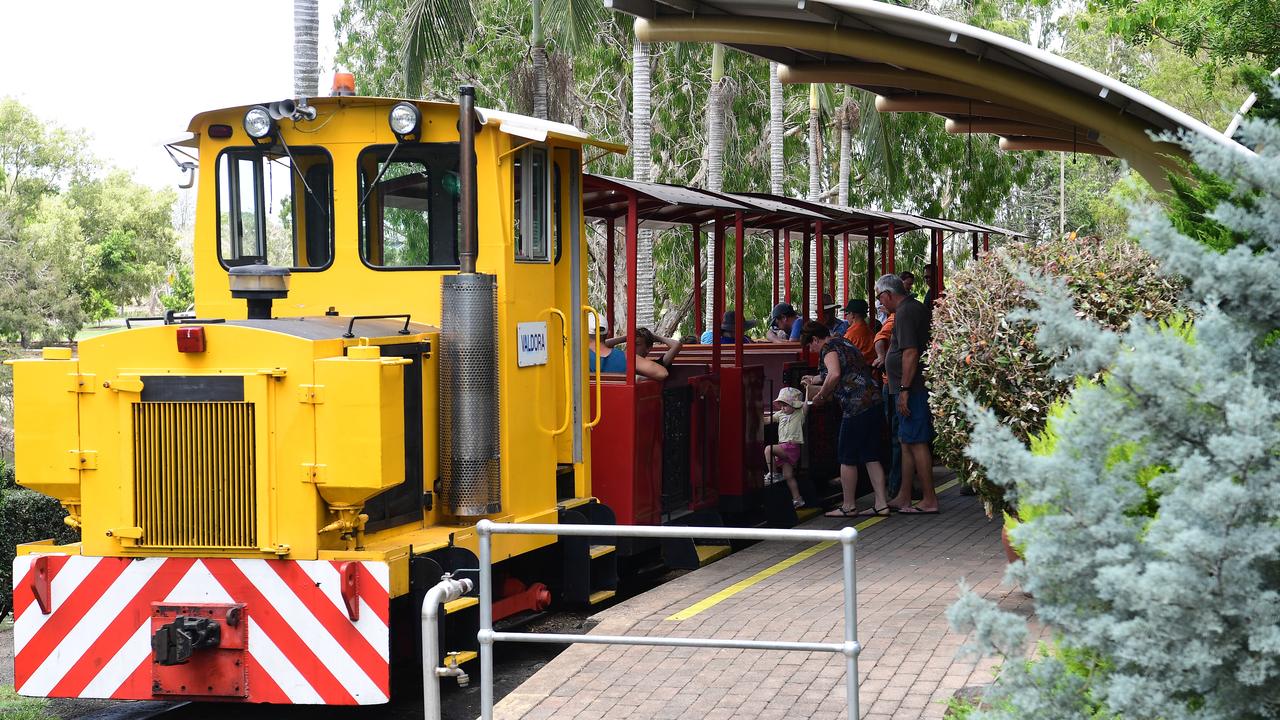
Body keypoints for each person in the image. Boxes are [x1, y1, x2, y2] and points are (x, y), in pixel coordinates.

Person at [798, 321, 890, 518]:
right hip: (873, 400)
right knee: (871, 456)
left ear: (815, 339)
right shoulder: (844, 342)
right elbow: (845, 370)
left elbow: (835, 374)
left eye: (810, 345)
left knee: (847, 457)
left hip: (855, 406)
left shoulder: (828, 348)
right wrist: (814, 379)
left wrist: (820, 395)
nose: (812, 350)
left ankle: (848, 506)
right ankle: (881, 504)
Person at [877, 273, 938, 514]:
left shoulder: (904, 312)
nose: (880, 303)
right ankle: (904, 495)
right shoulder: (910, 309)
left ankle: (929, 498)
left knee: (917, 441)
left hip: (912, 389)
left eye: (880, 298)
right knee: (906, 441)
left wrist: (904, 389)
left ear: (888, 294)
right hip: (908, 387)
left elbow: (911, 352)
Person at [763, 386, 807, 508]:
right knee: (788, 476)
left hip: (791, 447)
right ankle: (798, 499)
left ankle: (773, 473)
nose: (783, 408)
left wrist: (807, 390)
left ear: (794, 405)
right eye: (781, 405)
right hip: (784, 447)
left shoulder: (799, 414)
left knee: (768, 449)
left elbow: (805, 406)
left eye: (786, 405)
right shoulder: (780, 414)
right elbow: (767, 420)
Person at [588, 326, 670, 381]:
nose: (632, 346)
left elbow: (663, 373)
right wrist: (625, 338)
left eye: (637, 344)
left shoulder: (626, 358)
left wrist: (639, 378)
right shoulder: (623, 358)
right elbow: (602, 345)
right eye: (629, 342)